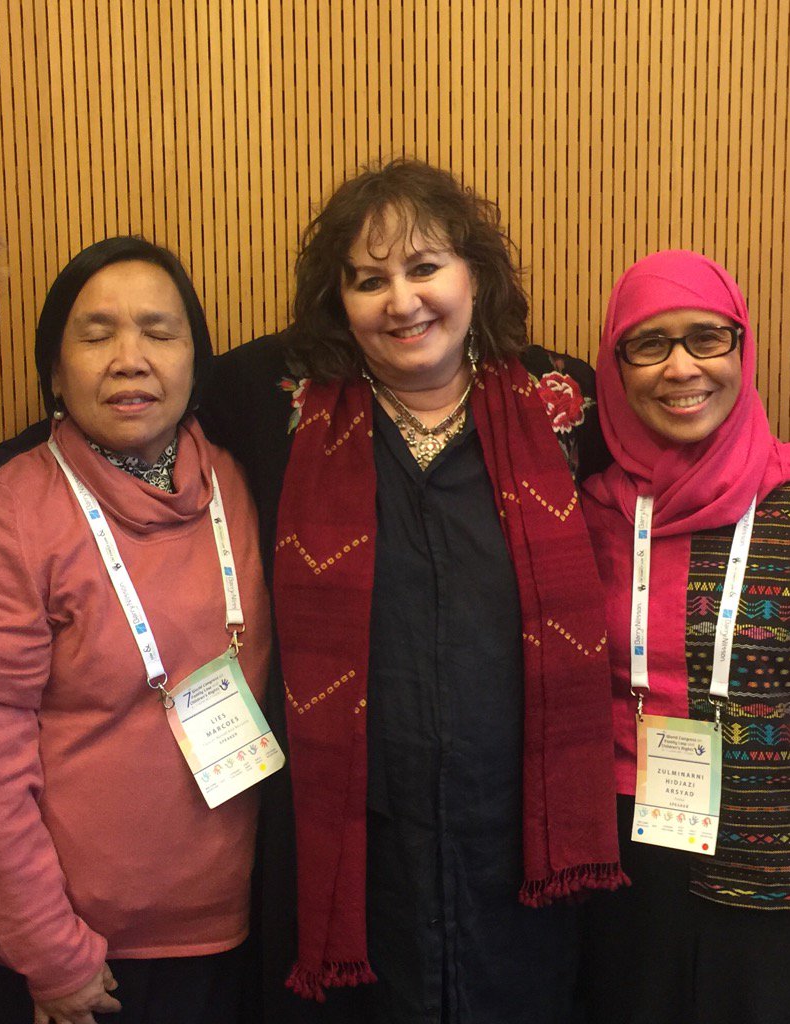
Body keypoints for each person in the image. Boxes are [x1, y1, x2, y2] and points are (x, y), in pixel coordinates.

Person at [200, 158, 624, 1024]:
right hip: (359, 830)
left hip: (520, 826)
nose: (401, 302)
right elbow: (140, 402)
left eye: (425, 267)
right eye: (369, 280)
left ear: (474, 274)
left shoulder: (564, 400)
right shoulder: (276, 402)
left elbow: (672, 463)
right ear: (338, 301)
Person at [0, 237, 272, 1024]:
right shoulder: (15, 509)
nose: (129, 360)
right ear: (55, 372)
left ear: (196, 362)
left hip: (242, 927)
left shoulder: (243, 479)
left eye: (159, 332)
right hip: (84, 954)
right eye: (96, 335)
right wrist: (50, 952)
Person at [579, 250, 790, 1024]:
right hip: (622, 856)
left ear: (742, 346)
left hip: (769, 861)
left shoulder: (787, 498)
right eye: (648, 344)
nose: (680, 368)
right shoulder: (582, 512)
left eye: (706, 337)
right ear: (615, 367)